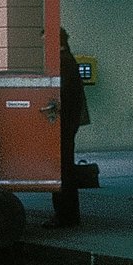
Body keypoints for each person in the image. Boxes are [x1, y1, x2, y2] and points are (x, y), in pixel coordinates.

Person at [48, 27, 86, 227]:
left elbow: (58, 95)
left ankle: (65, 215)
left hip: (63, 125)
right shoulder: (68, 61)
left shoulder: (62, 63)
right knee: (65, 168)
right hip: (68, 125)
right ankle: (67, 215)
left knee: (62, 170)